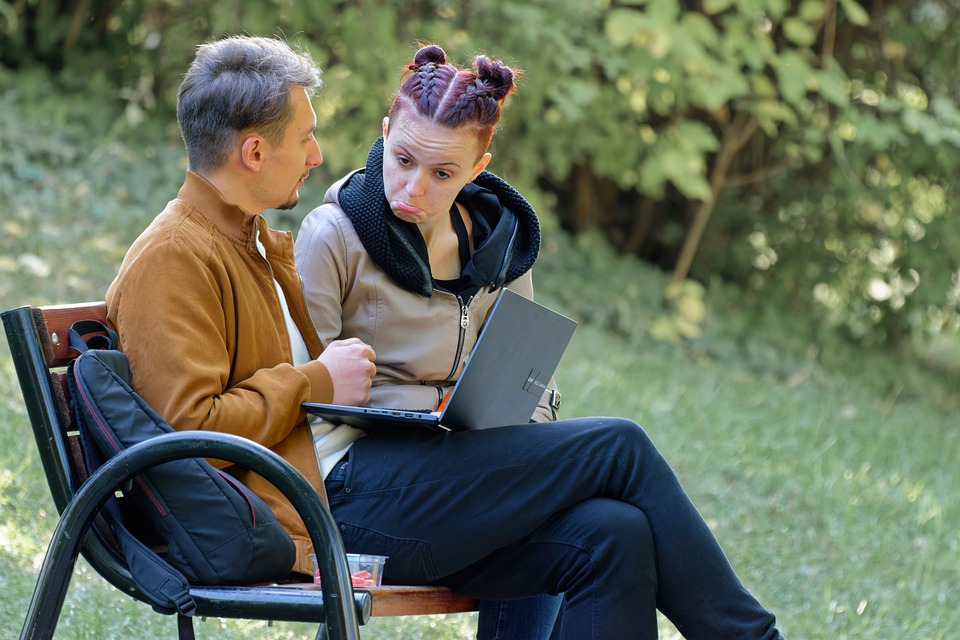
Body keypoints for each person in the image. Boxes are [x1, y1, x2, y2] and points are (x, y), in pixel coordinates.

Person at [108, 36, 786, 639]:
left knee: (613, 535)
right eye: (306, 137)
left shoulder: (249, 240)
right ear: (255, 151)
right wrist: (316, 383)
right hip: (324, 501)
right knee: (621, 445)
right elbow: (183, 430)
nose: (319, 154)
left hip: (374, 483)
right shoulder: (179, 256)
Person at [294, 44, 563, 639]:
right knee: (582, 509)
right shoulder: (333, 236)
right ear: (385, 133)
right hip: (359, 472)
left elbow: (529, 380)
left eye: (442, 174)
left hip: (470, 463)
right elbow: (304, 392)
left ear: (477, 168)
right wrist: (425, 416)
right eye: (403, 159)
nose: (413, 188)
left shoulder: (502, 246)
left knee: (599, 525)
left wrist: (528, 431)